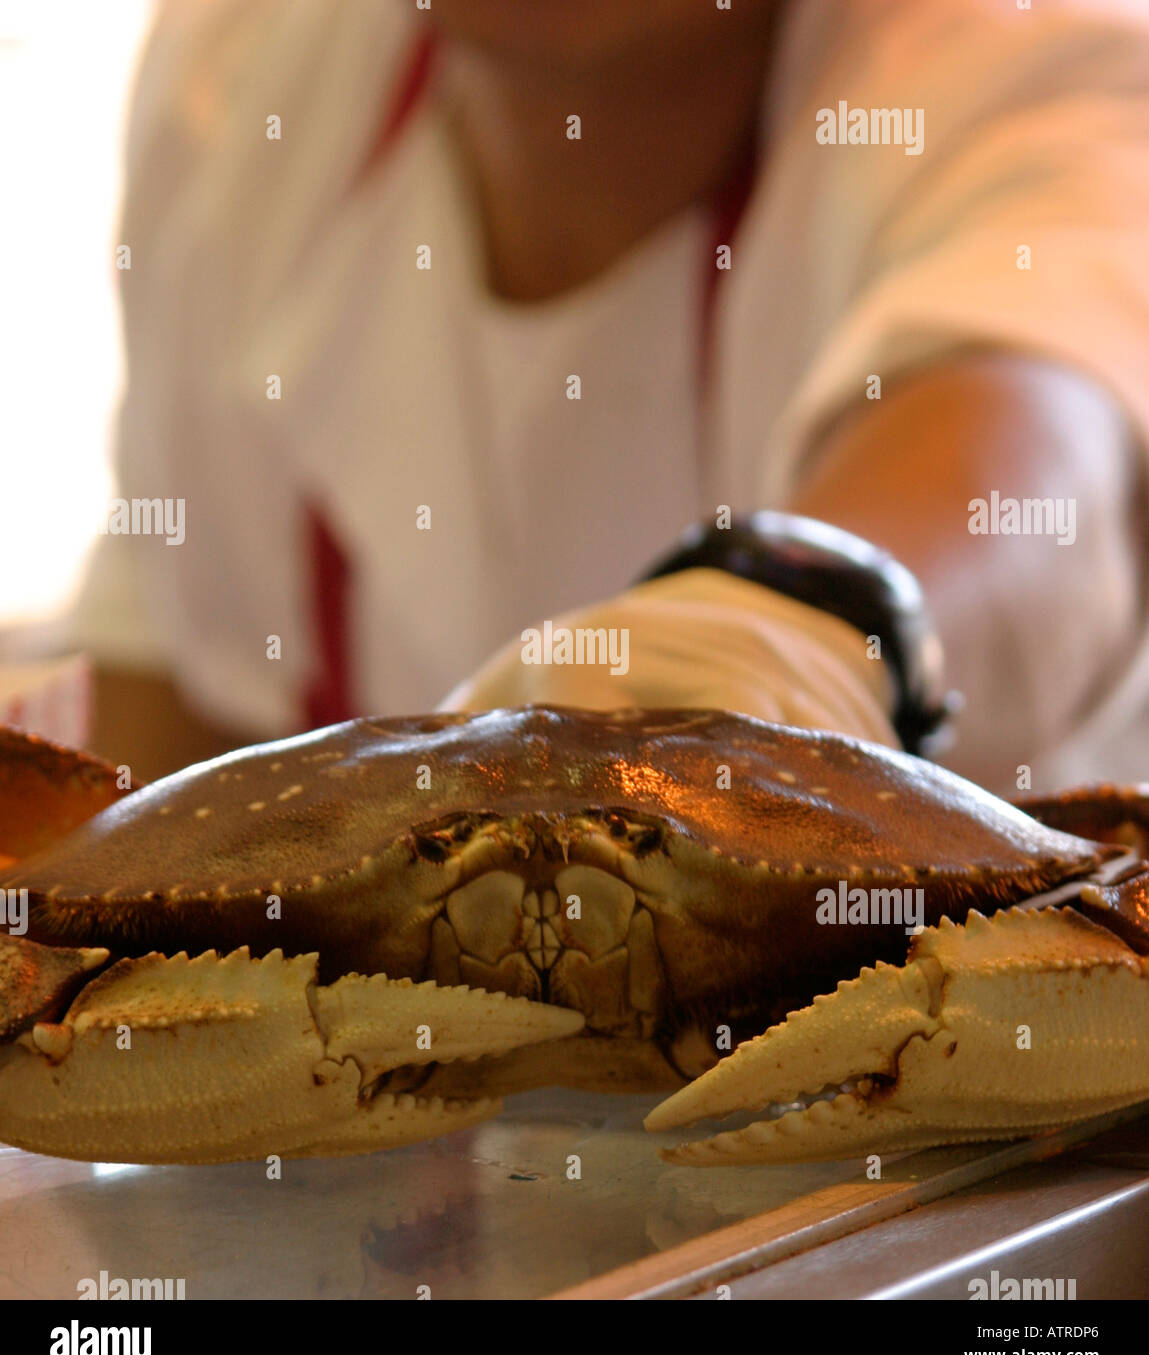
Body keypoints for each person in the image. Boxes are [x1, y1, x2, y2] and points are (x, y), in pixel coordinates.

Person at [72, 0, 1149, 794]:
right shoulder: (242, 75)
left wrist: (803, 635)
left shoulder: (1028, 73)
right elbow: (161, 737)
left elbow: (1035, 460)